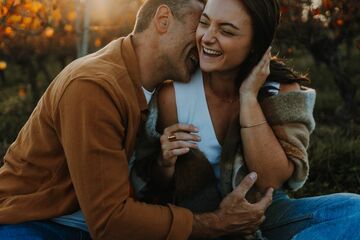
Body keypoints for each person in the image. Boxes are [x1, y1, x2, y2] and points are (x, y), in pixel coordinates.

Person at [0, 0, 275, 239]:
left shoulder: (159, 90)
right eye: (199, 27)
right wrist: (217, 223)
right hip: (35, 224)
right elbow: (110, 222)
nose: (202, 41)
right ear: (163, 20)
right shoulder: (94, 87)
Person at [132, 0, 360, 239]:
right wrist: (164, 163)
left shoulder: (280, 91)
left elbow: (271, 181)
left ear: (255, 44)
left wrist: (249, 97)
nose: (208, 37)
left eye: (226, 31)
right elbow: (151, 186)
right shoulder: (174, 94)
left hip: (261, 215)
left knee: (354, 211)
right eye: (205, 23)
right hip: (199, 222)